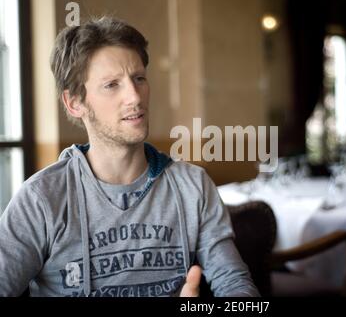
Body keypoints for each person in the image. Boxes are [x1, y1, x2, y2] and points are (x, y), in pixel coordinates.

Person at [0, 17, 259, 297]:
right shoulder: (41, 199)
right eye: (112, 84)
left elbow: (236, 286)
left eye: (139, 78)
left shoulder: (193, 185)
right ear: (75, 103)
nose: (135, 96)